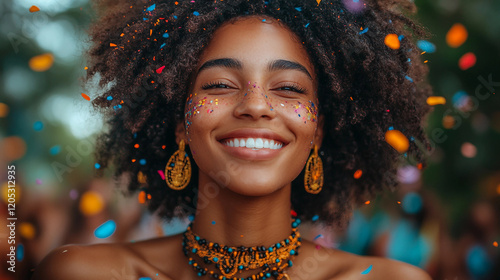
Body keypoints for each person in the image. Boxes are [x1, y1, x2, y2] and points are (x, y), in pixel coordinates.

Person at [31, 0, 434, 279]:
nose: (255, 106)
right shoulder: (80, 273)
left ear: (318, 132)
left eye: (289, 89)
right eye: (221, 84)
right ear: (180, 126)